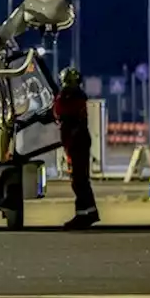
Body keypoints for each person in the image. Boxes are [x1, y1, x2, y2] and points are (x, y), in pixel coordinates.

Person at [55, 67, 100, 229]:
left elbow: (61, 113)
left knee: (79, 180)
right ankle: (85, 213)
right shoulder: (75, 96)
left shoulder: (70, 96)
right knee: (79, 180)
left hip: (76, 142)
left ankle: (87, 214)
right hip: (77, 141)